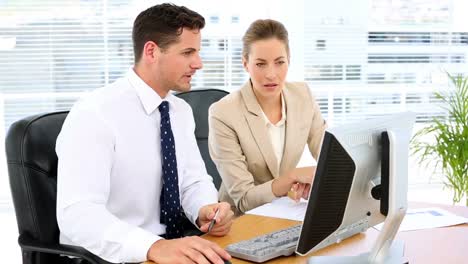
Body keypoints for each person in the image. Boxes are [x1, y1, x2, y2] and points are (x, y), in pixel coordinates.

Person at [56, 3, 234, 264]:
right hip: (111, 256)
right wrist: (152, 246)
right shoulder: (95, 114)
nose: (198, 63)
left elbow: (192, 181)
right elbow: (77, 213)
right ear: (151, 51)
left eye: (197, 52)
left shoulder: (179, 111)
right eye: (187, 52)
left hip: (171, 247)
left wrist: (205, 209)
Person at [208, 19, 327, 215]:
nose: (271, 74)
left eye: (280, 62)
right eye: (260, 64)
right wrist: (291, 178)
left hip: (285, 211)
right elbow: (243, 199)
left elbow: (328, 153)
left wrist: (316, 179)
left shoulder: (303, 95)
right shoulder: (223, 113)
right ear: (245, 63)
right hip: (239, 220)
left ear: (289, 60)